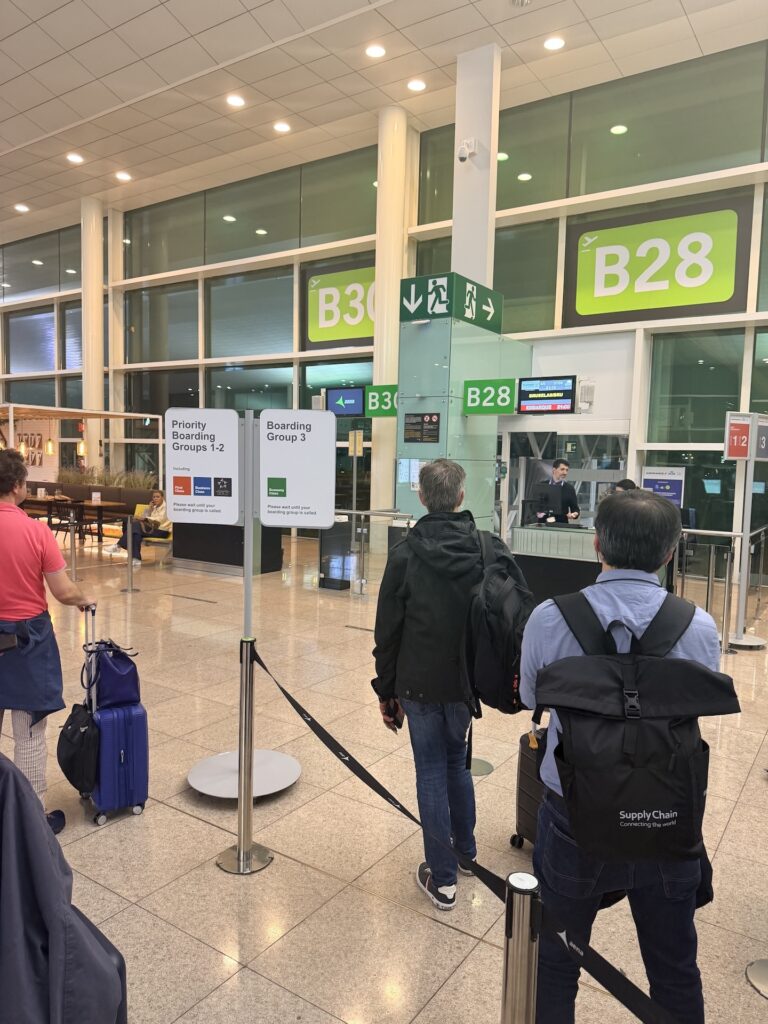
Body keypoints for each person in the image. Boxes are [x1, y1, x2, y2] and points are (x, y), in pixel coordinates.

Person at [520, 490, 720, 1024]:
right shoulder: (698, 626)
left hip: (572, 808)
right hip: (668, 812)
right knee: (675, 970)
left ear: (597, 543)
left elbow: (530, 699)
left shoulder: (549, 618)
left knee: (556, 961)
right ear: (671, 551)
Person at [371, 459, 511, 911]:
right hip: (466, 685)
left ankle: (443, 879)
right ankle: (465, 853)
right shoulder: (487, 549)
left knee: (430, 770)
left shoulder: (405, 554)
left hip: (417, 684)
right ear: (461, 496)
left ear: (423, 497)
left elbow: (387, 631)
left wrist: (385, 689)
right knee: (456, 765)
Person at [0, 449, 96, 835]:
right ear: (20, 486)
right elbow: (62, 591)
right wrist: (83, 598)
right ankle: (32, 822)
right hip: (27, 641)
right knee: (29, 732)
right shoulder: (36, 531)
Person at [106, 488, 171, 567]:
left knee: (136, 526)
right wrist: (149, 509)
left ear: (162, 498)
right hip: (150, 529)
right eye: (154, 497)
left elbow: (159, 520)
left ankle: (119, 545)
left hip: (161, 531)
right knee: (135, 532)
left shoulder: (167, 508)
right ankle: (136, 559)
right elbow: (145, 517)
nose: (155, 499)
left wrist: (144, 519)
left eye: (158, 497)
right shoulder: (154, 507)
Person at [531, 459, 580, 523]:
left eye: (567, 470)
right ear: (554, 470)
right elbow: (533, 506)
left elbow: (575, 509)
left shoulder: (570, 489)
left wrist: (574, 514)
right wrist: (537, 512)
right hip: (543, 525)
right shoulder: (542, 486)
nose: (565, 473)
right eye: (562, 469)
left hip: (561, 526)